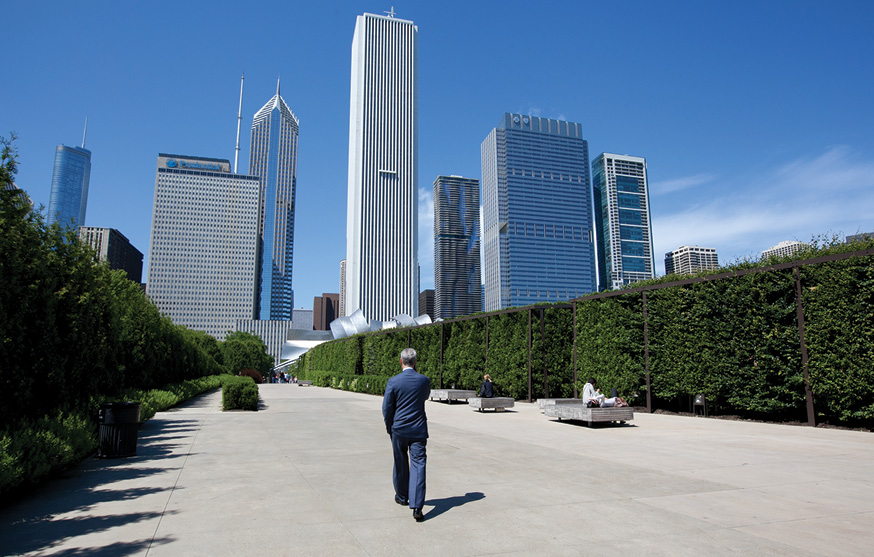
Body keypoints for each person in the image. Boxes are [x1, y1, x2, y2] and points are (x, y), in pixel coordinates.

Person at [382, 347, 430, 522]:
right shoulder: (424, 381)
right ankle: (417, 506)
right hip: (418, 430)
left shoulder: (393, 382)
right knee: (419, 465)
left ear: (400, 361)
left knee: (400, 463)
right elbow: (424, 398)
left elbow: (387, 408)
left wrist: (390, 427)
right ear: (415, 362)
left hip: (399, 429)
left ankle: (402, 497)